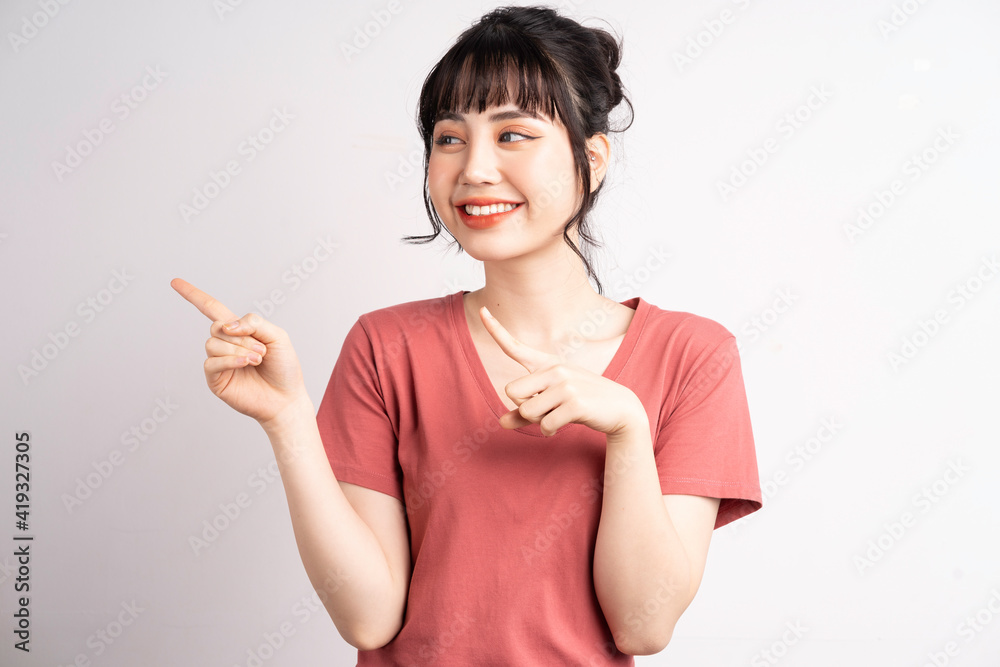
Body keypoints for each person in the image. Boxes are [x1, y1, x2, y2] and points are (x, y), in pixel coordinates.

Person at [172, 5, 762, 665]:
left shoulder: (693, 356)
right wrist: (287, 420)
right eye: (451, 138)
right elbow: (368, 618)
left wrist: (626, 427)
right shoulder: (385, 346)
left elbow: (642, 626)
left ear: (591, 158)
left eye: (513, 135)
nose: (474, 168)